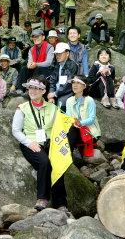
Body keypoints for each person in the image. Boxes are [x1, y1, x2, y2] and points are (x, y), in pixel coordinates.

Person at [12, 75, 68, 212]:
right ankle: (42, 198)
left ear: (44, 91)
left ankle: (61, 204)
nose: (33, 91)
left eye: (37, 88)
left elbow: (60, 126)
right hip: (31, 143)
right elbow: (16, 130)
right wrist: (29, 143)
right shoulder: (22, 108)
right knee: (44, 162)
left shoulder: (52, 108)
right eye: (31, 88)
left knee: (58, 165)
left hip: (50, 143)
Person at [66, 75, 101, 156]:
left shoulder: (89, 100)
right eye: (73, 82)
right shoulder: (69, 100)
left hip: (90, 132)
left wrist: (80, 123)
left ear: (84, 86)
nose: (75, 85)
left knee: (72, 130)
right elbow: (68, 117)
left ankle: (67, 155)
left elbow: (91, 119)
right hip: (76, 131)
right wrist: (73, 122)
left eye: (78, 83)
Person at [47, 42, 78, 110]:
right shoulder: (57, 64)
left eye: (60, 53)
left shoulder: (72, 66)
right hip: (57, 91)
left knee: (61, 103)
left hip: (68, 92)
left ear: (67, 53)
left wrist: (55, 94)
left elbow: (68, 84)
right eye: (56, 53)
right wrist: (51, 94)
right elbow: (52, 80)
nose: (57, 56)